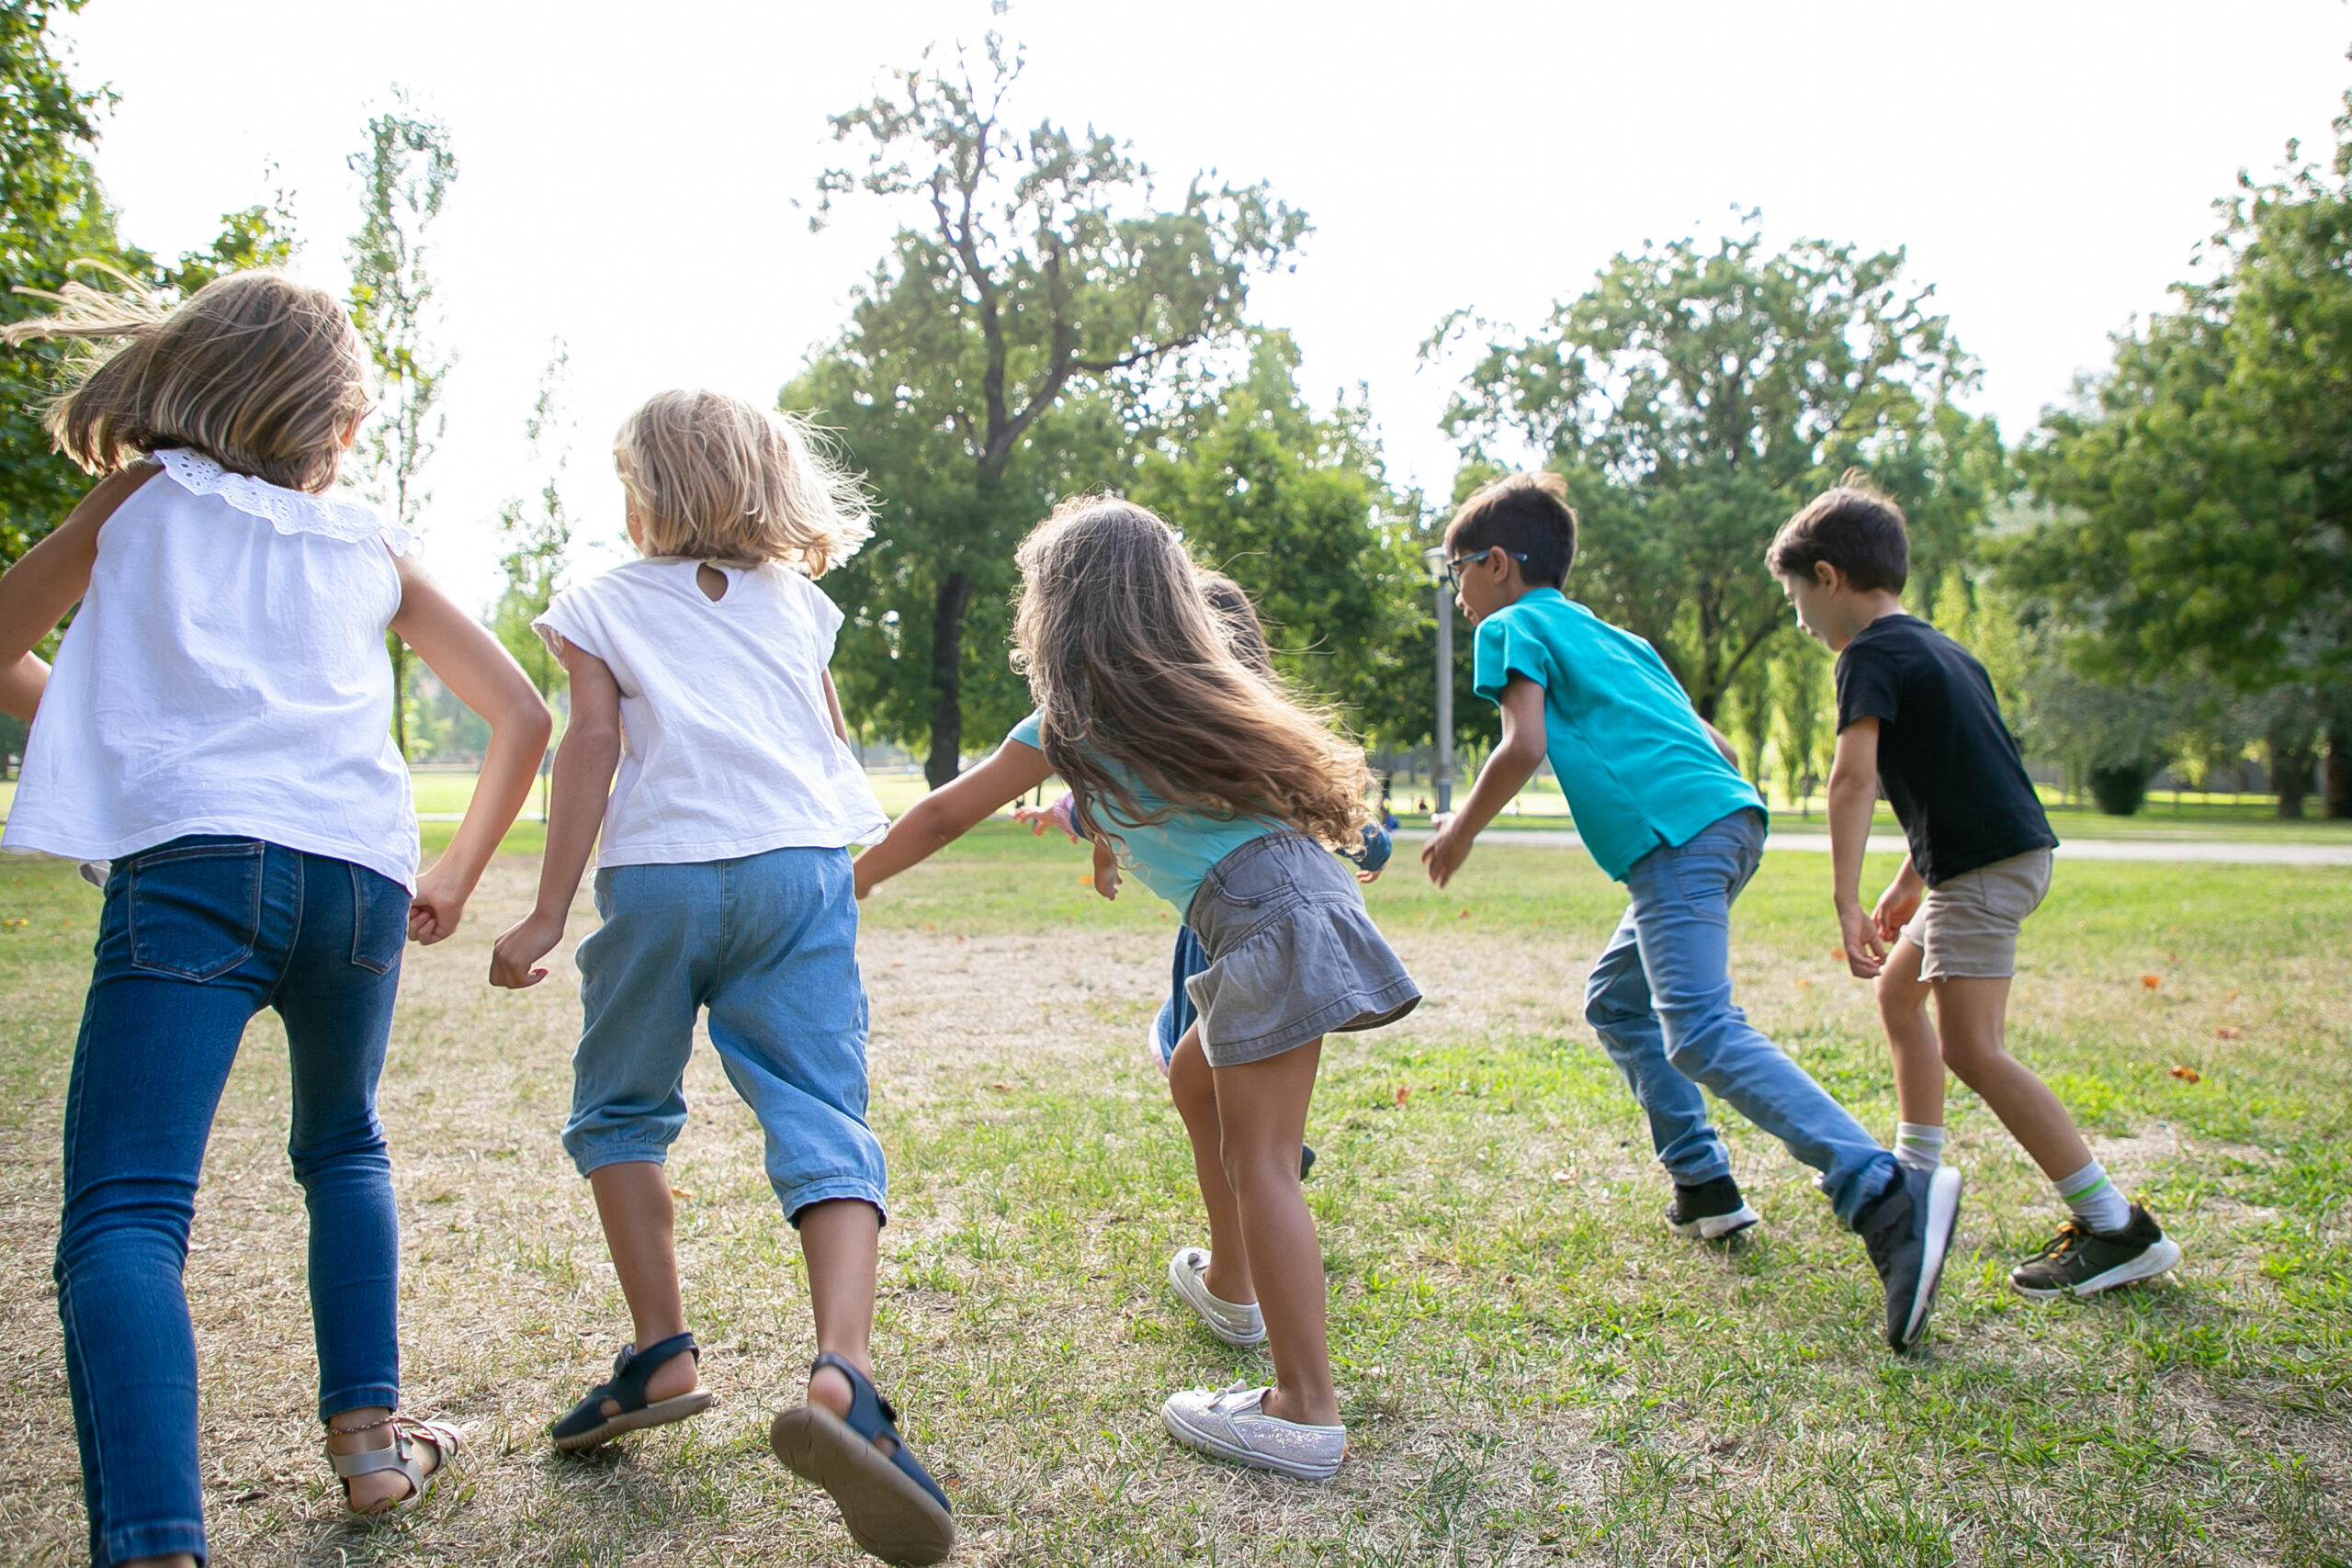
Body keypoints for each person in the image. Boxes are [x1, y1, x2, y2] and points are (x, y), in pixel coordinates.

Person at [0, 269, 551, 1567]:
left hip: (197, 863)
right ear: (322, 417)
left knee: (129, 1212)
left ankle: (154, 1541)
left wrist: (108, 727)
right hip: (357, 874)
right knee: (343, 1145)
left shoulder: (141, 497)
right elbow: (523, 711)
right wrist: (458, 876)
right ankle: (372, 1447)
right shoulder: (363, 539)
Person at [855, 497, 1419, 1482]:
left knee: (1266, 1163)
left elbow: (947, 813)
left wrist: (848, 878)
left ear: (1057, 613)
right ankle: (1233, 1287)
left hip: (1265, 923)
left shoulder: (1066, 722)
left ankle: (1303, 1409)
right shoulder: (1197, 691)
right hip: (1282, 909)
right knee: (1194, 1078)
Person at [488, 390, 952, 1565]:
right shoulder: (803, 603)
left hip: (662, 876)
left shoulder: (598, 601)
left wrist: (547, 910)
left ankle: (662, 1353)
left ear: (646, 491)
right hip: (800, 865)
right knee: (821, 1110)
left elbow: (590, 745)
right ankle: (843, 1366)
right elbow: (828, 741)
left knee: (624, 1108)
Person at [1420, 471, 1960, 1354]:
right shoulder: (1619, 637)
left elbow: (1524, 743)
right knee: (1619, 1002)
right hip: (1728, 820)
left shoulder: (1512, 626)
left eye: (1458, 572)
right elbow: (1715, 741)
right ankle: (1704, 1181)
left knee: (1701, 1031)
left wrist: (1460, 832)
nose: (1459, 592)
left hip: (1676, 839)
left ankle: (1880, 1187)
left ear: (1500, 565)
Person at [1770, 477, 2181, 1299]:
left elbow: (1852, 781)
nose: (1800, 619)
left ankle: (2114, 1225)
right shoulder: (1944, 649)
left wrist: (1847, 899)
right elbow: (1961, 777)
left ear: (1828, 577)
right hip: (1988, 858)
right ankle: (1914, 1172)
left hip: (1984, 870)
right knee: (1898, 993)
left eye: (1794, 599)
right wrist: (1906, 880)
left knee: (1973, 1047)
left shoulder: (1867, 656)